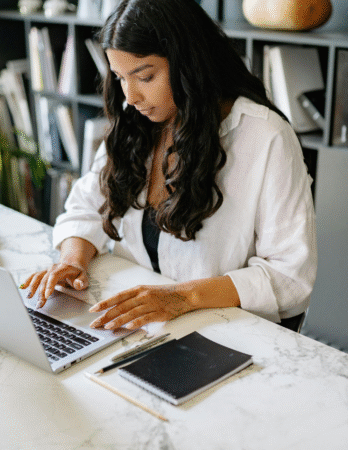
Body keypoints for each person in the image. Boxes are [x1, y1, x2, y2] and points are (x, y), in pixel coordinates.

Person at [22, 0, 317, 332]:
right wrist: (72, 261)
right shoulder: (137, 122)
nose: (130, 96)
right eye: (120, 78)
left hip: (222, 332)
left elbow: (290, 275)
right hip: (136, 323)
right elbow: (86, 205)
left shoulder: (266, 137)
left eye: (145, 76)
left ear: (188, 64)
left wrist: (181, 297)